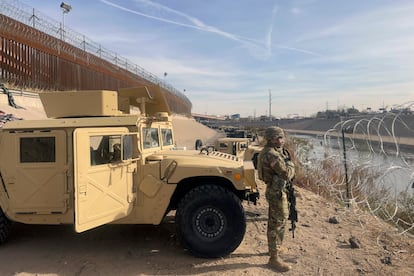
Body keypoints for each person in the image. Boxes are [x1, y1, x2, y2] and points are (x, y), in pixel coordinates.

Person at [257, 126, 295, 272]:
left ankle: (276, 248)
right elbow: (286, 174)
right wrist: (291, 164)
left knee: (280, 220)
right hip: (276, 192)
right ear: (271, 139)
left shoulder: (271, 152)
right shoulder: (272, 155)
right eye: (278, 138)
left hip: (276, 190)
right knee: (277, 223)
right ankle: (274, 258)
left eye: (281, 137)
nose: (282, 140)